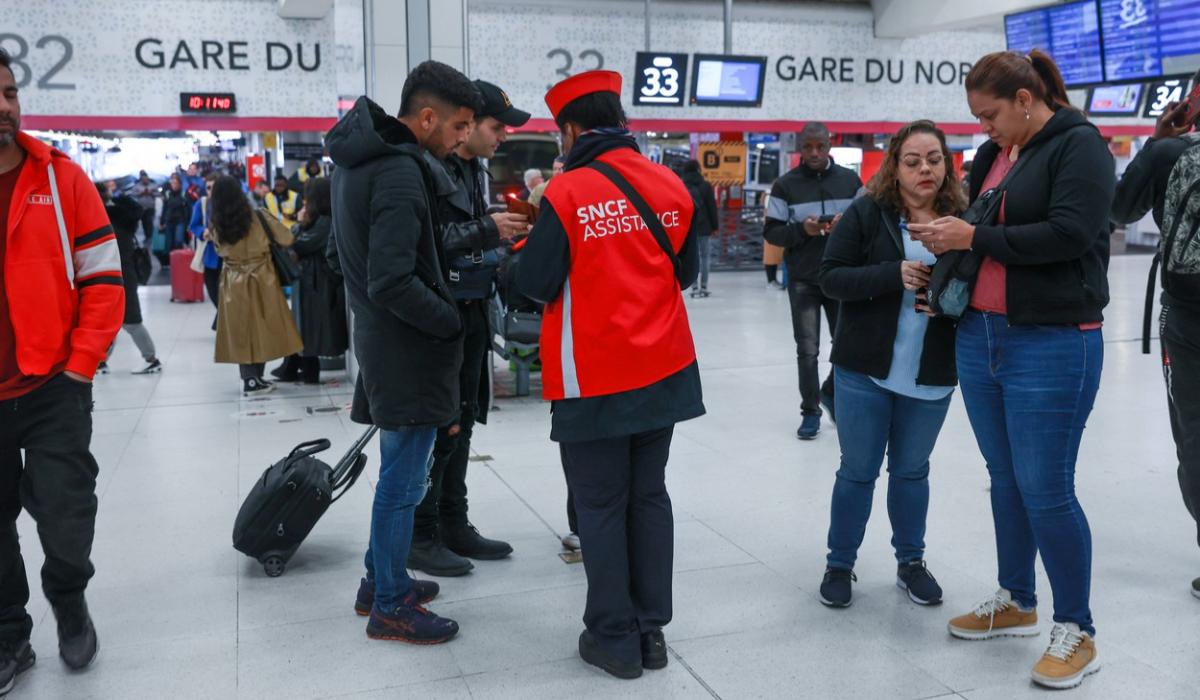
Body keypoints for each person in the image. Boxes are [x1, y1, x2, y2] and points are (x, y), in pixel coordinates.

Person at [907, 50, 1113, 690]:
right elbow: (984, 225)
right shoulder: (995, 154)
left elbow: (1069, 235)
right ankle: (1018, 600)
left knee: (1046, 486)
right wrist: (949, 234)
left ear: (1026, 100)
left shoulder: (1080, 147)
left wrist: (973, 240)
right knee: (1005, 479)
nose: (984, 127)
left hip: (1052, 340)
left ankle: (1076, 629)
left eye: (990, 114)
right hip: (981, 335)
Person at [517, 70, 705, 680]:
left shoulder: (566, 193)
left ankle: (614, 638)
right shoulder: (670, 183)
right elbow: (684, 272)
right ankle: (651, 632)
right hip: (664, 368)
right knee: (649, 497)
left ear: (570, 130)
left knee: (599, 505)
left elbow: (538, 283)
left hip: (592, 374)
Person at [327, 60, 480, 645]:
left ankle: (378, 578)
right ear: (426, 116)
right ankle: (389, 604)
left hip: (384, 342)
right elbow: (394, 279)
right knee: (402, 483)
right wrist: (449, 324)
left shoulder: (357, 161)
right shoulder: (397, 171)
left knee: (400, 474)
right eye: (460, 125)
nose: (464, 136)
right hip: (408, 349)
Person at [0, 48, 123, 693]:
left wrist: (80, 366)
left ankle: (69, 601)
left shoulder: (60, 177)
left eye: (9, 92)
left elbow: (104, 279)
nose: (3, 105)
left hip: (53, 386)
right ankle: (8, 633)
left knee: (66, 513)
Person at [815, 120, 965, 609]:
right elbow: (830, 277)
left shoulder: (964, 219)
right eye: (914, 160)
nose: (926, 168)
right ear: (894, 166)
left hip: (932, 372)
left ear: (947, 165)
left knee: (911, 472)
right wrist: (890, 274)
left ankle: (911, 562)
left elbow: (983, 289)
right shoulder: (868, 213)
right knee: (857, 471)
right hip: (865, 370)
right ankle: (840, 564)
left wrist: (949, 300)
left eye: (935, 159)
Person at [408, 79, 530, 577]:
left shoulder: (475, 170)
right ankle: (422, 532)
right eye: (494, 127)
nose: (502, 137)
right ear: (466, 122)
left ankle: (454, 522)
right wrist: (487, 230)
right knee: (440, 424)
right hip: (440, 315)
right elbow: (424, 241)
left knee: (464, 418)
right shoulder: (428, 168)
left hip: (474, 306)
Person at [1110, 69, 1200, 600]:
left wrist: (1156, 143)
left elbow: (1119, 211)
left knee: (1194, 433)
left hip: (1188, 316)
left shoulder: (1169, 155)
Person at [764, 122, 863, 440]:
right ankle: (810, 411)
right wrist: (802, 231)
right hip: (804, 279)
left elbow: (868, 224)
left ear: (829, 144)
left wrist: (846, 227)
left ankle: (830, 393)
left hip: (841, 276)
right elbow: (772, 232)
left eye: (820, 146)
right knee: (807, 350)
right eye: (808, 147)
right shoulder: (785, 185)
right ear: (800, 148)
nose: (814, 153)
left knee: (846, 345)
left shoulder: (850, 181)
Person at [208, 175, 303, 396]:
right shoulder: (258, 217)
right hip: (263, 278)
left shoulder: (216, 225)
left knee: (242, 330)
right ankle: (254, 378)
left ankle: (251, 379)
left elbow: (218, 249)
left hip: (233, 280)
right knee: (263, 327)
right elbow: (286, 238)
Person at [270, 177, 348, 385]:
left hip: (318, 283)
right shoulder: (319, 221)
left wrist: (297, 225)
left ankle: (305, 370)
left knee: (310, 329)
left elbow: (298, 244)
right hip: (310, 282)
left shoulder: (325, 221)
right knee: (303, 328)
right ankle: (296, 367)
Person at [98, 181, 162, 375]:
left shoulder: (107, 222)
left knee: (130, 321)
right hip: (123, 276)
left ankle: (152, 359)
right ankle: (101, 361)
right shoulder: (122, 218)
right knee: (114, 322)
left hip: (120, 277)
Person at [678, 160, 718, 298]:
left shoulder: (681, 186)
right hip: (705, 226)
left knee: (691, 256)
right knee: (705, 256)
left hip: (688, 227)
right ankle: (704, 286)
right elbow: (711, 207)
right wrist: (715, 226)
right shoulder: (705, 186)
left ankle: (694, 287)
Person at [188, 172, 223, 314]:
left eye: (214, 188)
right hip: (209, 255)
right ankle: (223, 323)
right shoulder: (202, 204)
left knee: (227, 295)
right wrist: (203, 232)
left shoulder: (229, 204)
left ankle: (224, 326)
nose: (211, 191)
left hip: (228, 255)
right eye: (208, 188)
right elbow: (193, 225)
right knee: (213, 292)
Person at [159, 172, 189, 259]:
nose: (174, 185)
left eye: (176, 183)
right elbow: (164, 208)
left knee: (178, 241)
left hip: (180, 221)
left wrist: (187, 222)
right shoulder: (168, 194)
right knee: (169, 242)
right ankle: (172, 260)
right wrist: (162, 222)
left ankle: (179, 257)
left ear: (180, 184)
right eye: (172, 183)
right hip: (169, 220)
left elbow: (187, 209)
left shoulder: (183, 194)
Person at [131, 170, 158, 245]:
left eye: (146, 178)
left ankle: (150, 236)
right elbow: (133, 194)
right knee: (144, 222)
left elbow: (158, 193)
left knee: (149, 222)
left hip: (150, 207)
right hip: (141, 207)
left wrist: (151, 193)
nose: (145, 180)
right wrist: (141, 193)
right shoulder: (137, 186)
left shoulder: (153, 185)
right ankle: (147, 236)